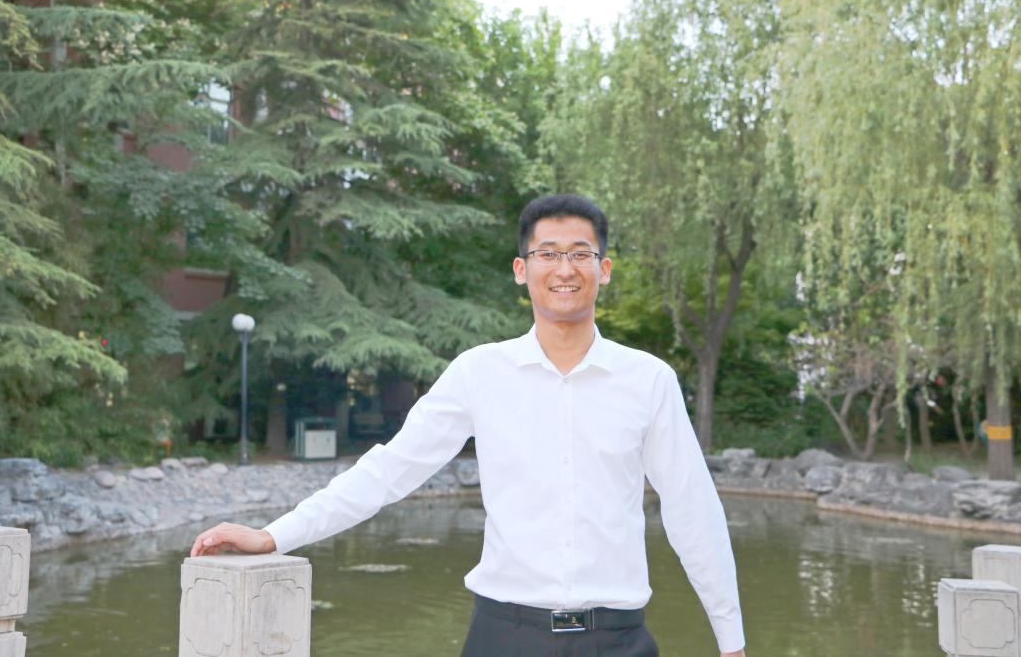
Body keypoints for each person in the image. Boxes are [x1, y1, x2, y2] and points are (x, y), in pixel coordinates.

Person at [190, 194, 747, 657]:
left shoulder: (648, 380)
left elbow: (693, 510)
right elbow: (389, 470)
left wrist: (732, 642)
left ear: (603, 270)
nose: (564, 268)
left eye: (581, 254)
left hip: (617, 639)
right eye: (547, 253)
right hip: (504, 637)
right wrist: (275, 535)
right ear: (522, 270)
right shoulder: (479, 373)